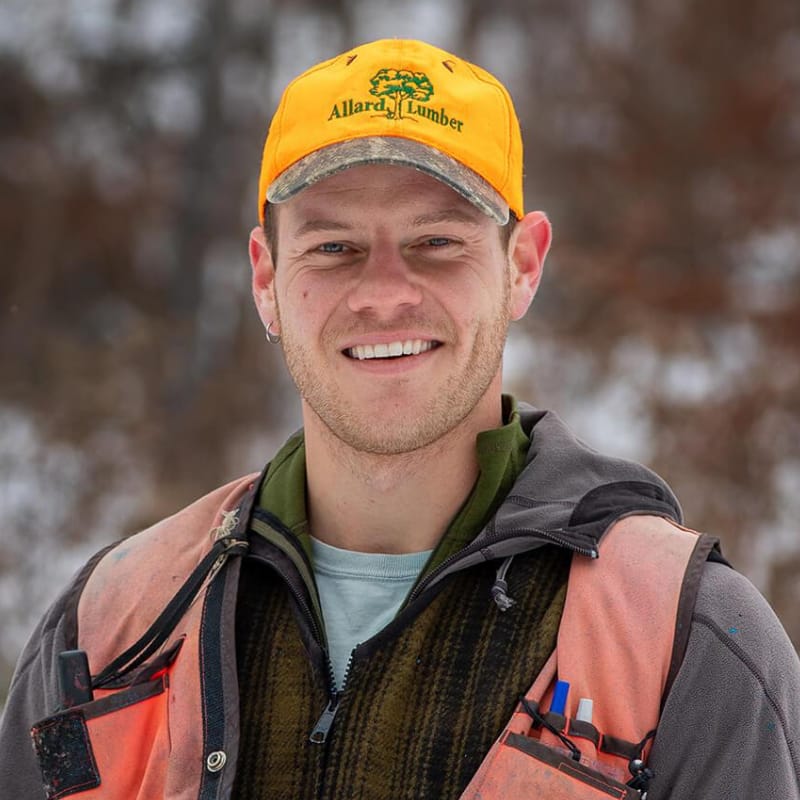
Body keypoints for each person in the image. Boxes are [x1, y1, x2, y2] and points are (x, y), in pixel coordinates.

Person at [1, 38, 798, 800]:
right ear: (266, 279)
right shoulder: (110, 630)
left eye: (436, 241)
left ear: (522, 265)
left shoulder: (683, 642)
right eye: (334, 247)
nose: (384, 293)